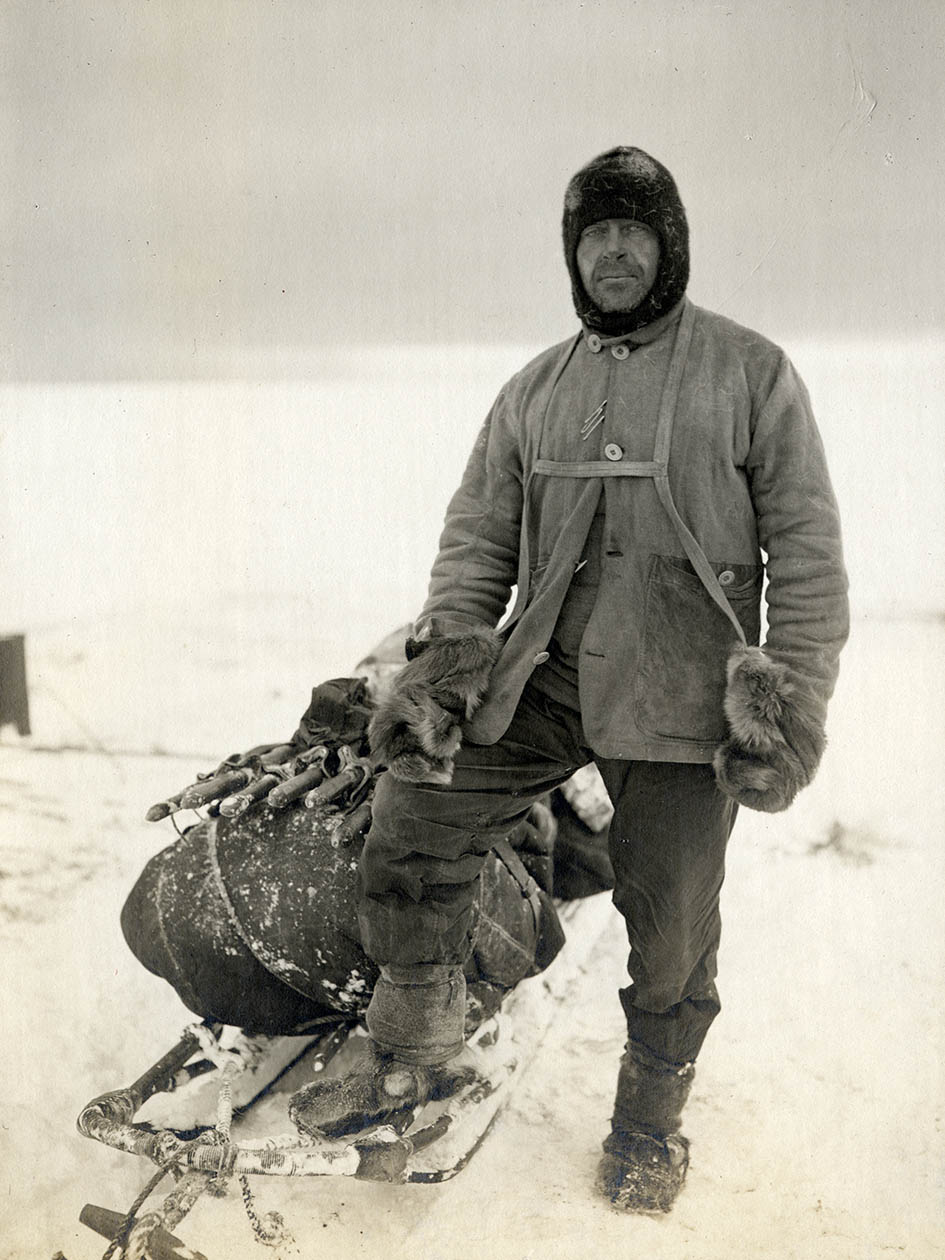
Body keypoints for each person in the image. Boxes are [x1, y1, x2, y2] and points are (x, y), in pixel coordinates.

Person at [292, 146, 849, 1213]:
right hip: (544, 681)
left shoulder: (751, 372)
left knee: (672, 927)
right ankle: (411, 1058)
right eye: (596, 235)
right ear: (572, 253)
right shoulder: (535, 390)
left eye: (635, 232)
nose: (615, 253)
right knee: (414, 813)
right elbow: (476, 542)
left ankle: (647, 1124)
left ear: (669, 246)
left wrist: (788, 703)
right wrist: (447, 667)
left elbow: (809, 554)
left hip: (681, 696)